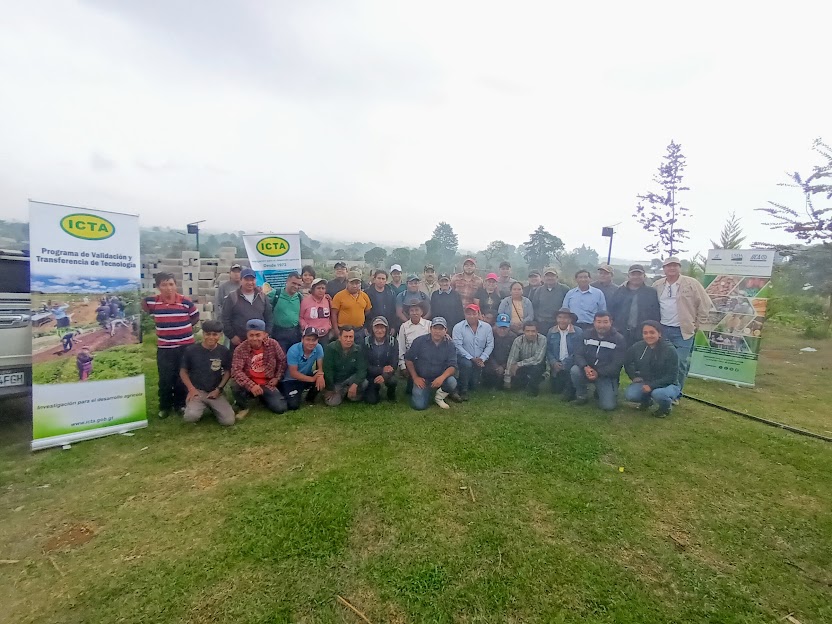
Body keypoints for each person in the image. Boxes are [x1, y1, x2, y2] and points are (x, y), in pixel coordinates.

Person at [142, 272, 200, 418]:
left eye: (171, 284)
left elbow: (195, 317)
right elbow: (143, 306)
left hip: (185, 346)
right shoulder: (152, 302)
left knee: (183, 376)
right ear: (158, 287)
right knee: (165, 378)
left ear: (176, 285)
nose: (168, 288)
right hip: (165, 348)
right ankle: (165, 406)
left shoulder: (185, 302)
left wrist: (181, 328)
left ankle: (180, 404)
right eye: (164, 285)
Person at [652, 256, 710, 391]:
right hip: (662, 329)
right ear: (664, 268)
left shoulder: (692, 283)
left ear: (679, 268)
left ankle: (676, 392)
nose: (672, 268)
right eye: (668, 265)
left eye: (675, 265)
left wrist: (697, 324)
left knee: (680, 362)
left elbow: (705, 304)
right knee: (661, 362)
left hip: (683, 331)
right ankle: (661, 389)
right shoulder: (658, 285)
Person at [179, 319, 235, 426]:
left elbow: (228, 372)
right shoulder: (191, 350)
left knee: (228, 421)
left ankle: (214, 406)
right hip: (197, 391)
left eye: (215, 334)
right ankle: (198, 405)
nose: (211, 337)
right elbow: (183, 371)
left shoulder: (224, 351)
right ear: (203, 333)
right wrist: (191, 389)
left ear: (221, 335)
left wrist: (219, 389)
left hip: (215, 392)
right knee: (191, 417)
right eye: (207, 334)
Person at [230, 318, 288, 418]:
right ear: (247, 335)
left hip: (267, 382)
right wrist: (251, 385)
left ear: (264, 334)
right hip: (249, 382)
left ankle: (262, 397)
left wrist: (277, 378)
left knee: (280, 408)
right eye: (251, 335)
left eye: (258, 335)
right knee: (235, 385)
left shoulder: (273, 344)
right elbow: (236, 370)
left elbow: (282, 361)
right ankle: (243, 405)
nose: (254, 338)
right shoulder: (240, 349)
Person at [623, 321, 681, 418]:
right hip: (646, 381)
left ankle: (665, 408)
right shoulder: (637, 347)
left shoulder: (670, 350)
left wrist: (651, 385)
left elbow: (672, 376)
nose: (648, 335)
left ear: (659, 334)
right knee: (631, 395)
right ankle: (647, 401)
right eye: (645, 333)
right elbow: (627, 362)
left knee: (658, 393)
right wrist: (633, 376)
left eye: (652, 332)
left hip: (668, 384)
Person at [570, 311, 626, 411]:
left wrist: (598, 373)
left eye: (605, 322)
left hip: (606, 375)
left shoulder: (619, 339)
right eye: (599, 322)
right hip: (588, 370)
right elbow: (578, 354)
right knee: (575, 370)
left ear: (611, 322)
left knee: (608, 407)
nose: (601, 325)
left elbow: (617, 364)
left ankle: (601, 391)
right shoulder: (586, 334)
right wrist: (585, 367)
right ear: (594, 322)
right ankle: (582, 396)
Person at [405, 317, 460, 410]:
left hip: (439, 377)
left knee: (452, 382)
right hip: (422, 378)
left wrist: (442, 378)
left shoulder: (450, 345)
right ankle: (419, 390)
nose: (437, 331)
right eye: (435, 328)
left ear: (446, 330)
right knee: (419, 406)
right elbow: (408, 359)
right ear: (430, 329)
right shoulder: (419, 341)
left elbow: (453, 366)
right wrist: (415, 377)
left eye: (441, 328)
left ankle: (439, 397)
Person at [608, 264, 661, 345]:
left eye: (639, 274)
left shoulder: (652, 292)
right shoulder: (619, 291)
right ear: (628, 276)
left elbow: (656, 314)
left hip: (643, 334)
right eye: (633, 274)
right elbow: (611, 311)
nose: (636, 277)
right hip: (620, 333)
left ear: (644, 276)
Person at [221, 268, 272, 348]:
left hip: (259, 341)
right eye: (246, 280)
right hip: (239, 342)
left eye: (252, 280)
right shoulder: (232, 297)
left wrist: (266, 333)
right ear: (241, 280)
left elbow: (269, 317)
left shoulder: (262, 296)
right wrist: (232, 336)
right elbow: (225, 318)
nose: (250, 283)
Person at [452, 304, 494, 400]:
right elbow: (458, 346)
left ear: (479, 314)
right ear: (465, 315)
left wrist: (482, 358)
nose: (471, 316)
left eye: (474, 313)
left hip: (480, 359)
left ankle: (464, 384)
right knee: (467, 364)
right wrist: (471, 358)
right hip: (463, 358)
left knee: (474, 385)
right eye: (468, 314)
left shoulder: (487, 327)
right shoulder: (458, 327)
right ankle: (463, 390)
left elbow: (490, 345)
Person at [323, 326, 368, 406]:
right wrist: (330, 388)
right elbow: (327, 370)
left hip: (350, 379)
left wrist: (355, 384)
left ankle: (347, 392)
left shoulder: (358, 349)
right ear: (339, 337)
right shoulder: (330, 348)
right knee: (332, 403)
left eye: (351, 337)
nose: (348, 340)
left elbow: (362, 369)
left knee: (365, 383)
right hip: (337, 381)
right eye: (345, 337)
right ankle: (343, 392)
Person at [281, 327, 325, 410]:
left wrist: (320, 375)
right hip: (291, 379)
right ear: (302, 339)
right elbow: (293, 373)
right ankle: (287, 392)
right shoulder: (293, 350)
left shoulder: (319, 347)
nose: (311, 343)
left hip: (306, 375)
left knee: (322, 378)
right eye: (308, 339)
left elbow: (320, 367)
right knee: (293, 406)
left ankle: (309, 398)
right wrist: (312, 379)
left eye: (314, 340)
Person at [547, 308, 583, 400]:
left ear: (570, 320)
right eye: (560, 317)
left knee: (569, 391)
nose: (562, 320)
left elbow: (578, 351)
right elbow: (548, 349)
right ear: (556, 319)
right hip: (556, 364)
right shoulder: (551, 331)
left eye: (565, 318)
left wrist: (565, 363)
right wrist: (554, 362)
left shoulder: (578, 332)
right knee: (556, 390)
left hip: (571, 363)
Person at [503, 322, 547, 395]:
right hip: (523, 366)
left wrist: (518, 364)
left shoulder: (542, 339)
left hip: (537, 365)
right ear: (523, 331)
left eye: (533, 331)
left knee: (536, 370)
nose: (530, 333)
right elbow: (512, 359)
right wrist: (507, 379)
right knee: (515, 387)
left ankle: (533, 389)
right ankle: (524, 382)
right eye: (528, 331)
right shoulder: (518, 340)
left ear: (537, 331)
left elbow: (537, 359)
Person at [265, 271, 303, 354]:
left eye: (299, 285)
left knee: (294, 359)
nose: (296, 286)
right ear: (287, 281)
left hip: (295, 334)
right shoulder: (275, 294)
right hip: (278, 333)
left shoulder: (300, 297)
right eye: (294, 283)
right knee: (281, 359)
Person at [364, 316, 399, 404]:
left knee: (393, 381)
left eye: (382, 327)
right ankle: (375, 389)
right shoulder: (365, 342)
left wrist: (384, 376)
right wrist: (380, 370)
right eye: (376, 327)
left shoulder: (393, 341)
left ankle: (391, 393)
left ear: (386, 329)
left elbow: (394, 363)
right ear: (372, 328)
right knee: (371, 401)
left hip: (387, 373)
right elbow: (364, 364)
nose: (379, 330)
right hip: (371, 374)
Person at [331, 271, 373, 343]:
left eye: (357, 283)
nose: (354, 286)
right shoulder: (339, 296)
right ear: (347, 283)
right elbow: (334, 314)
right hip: (344, 330)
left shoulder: (364, 296)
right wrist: (336, 330)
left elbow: (367, 311)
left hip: (359, 331)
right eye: (352, 283)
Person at [482, 313, 517, 389]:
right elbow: (488, 353)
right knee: (487, 371)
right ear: (495, 326)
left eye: (505, 328)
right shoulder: (490, 334)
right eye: (500, 327)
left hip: (508, 364)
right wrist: (496, 366)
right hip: (492, 363)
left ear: (509, 327)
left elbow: (514, 354)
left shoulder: (513, 337)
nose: (502, 330)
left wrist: (503, 366)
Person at [531, 268, 569, 335]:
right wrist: (538, 320)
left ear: (557, 277)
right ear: (544, 278)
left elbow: (568, 306)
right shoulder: (539, 290)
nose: (550, 278)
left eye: (552, 276)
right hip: (542, 323)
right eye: (547, 276)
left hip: (558, 323)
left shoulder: (564, 289)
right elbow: (534, 306)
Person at [299, 278, 333, 343]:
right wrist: (307, 327)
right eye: (318, 288)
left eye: (323, 288)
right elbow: (300, 317)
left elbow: (332, 316)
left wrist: (328, 326)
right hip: (309, 336)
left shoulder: (328, 300)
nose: (321, 290)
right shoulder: (305, 301)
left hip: (324, 335)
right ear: (313, 289)